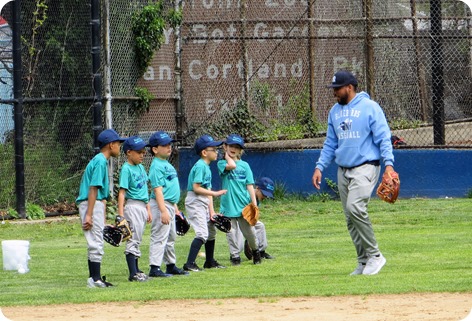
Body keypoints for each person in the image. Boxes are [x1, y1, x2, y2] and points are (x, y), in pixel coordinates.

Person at [312, 70, 394, 276]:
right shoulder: (334, 112)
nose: (334, 93)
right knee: (350, 217)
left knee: (355, 207)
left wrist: (389, 165)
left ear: (349, 87)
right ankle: (363, 261)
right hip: (343, 169)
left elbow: (384, 137)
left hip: (365, 166)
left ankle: (375, 256)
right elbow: (330, 142)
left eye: (337, 89)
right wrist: (320, 166)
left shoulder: (370, 108)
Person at [76, 128, 126, 288]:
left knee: (95, 239)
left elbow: (101, 196)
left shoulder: (100, 161)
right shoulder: (99, 161)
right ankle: (95, 279)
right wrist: (89, 215)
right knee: (95, 241)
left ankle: (94, 278)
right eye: (118, 143)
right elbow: (93, 189)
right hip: (91, 204)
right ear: (111, 145)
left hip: (95, 204)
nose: (120, 146)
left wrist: (102, 220)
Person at [182, 134, 228, 272]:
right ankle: (189, 263)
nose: (216, 152)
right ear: (204, 152)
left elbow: (206, 189)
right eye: (213, 149)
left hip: (203, 200)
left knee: (211, 231)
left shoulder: (206, 167)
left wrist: (212, 211)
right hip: (195, 201)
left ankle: (209, 261)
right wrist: (215, 193)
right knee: (202, 233)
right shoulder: (201, 166)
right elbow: (196, 188)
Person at [147, 131, 188, 277]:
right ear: (155, 149)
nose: (168, 147)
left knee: (170, 237)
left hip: (170, 204)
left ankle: (170, 265)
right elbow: (157, 190)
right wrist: (163, 210)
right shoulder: (156, 165)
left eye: (169, 144)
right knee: (159, 235)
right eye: (164, 145)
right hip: (161, 205)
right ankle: (154, 267)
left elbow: (169, 188)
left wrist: (175, 208)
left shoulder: (165, 164)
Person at [217, 134, 262, 266]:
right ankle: (235, 256)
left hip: (243, 204)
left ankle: (256, 251)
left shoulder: (245, 166)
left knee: (249, 232)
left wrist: (254, 203)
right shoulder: (221, 163)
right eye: (231, 146)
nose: (233, 149)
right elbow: (232, 166)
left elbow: (249, 185)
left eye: (237, 147)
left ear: (240, 150)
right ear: (225, 147)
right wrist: (226, 155)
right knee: (231, 232)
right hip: (229, 204)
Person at [118, 136, 152, 282]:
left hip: (142, 206)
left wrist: (148, 209)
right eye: (139, 152)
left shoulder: (141, 168)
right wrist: (120, 216)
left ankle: (137, 270)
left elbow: (145, 190)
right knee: (132, 239)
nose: (142, 154)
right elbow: (121, 193)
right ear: (129, 152)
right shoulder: (126, 169)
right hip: (132, 206)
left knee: (137, 238)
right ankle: (133, 273)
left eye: (144, 151)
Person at [241, 177, 275, 261]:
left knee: (260, 226)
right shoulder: (247, 195)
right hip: (239, 219)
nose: (265, 196)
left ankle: (261, 251)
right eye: (264, 193)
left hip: (248, 220)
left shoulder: (257, 199)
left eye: (267, 195)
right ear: (257, 188)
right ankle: (249, 246)